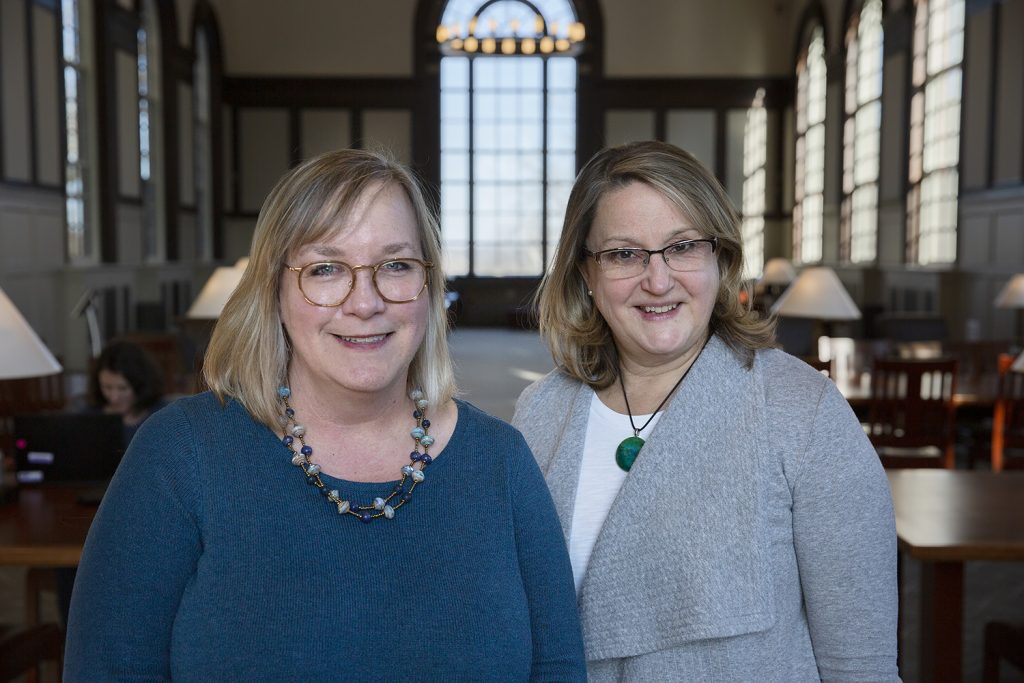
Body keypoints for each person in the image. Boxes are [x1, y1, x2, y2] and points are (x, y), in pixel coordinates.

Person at [65, 149, 586, 681]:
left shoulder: (500, 463)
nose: (365, 302)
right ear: (274, 290)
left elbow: (558, 668)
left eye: (396, 265)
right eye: (326, 269)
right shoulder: (179, 456)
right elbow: (108, 667)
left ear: (428, 287)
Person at [513, 140, 899, 681]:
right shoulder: (540, 413)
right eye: (625, 253)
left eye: (683, 246)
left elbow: (861, 665)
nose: (658, 279)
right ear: (586, 276)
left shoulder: (800, 412)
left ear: (719, 259)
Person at [88, 340, 167, 444]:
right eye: (107, 387)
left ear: (140, 385)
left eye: (122, 388)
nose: (114, 397)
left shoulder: (162, 416)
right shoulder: (89, 416)